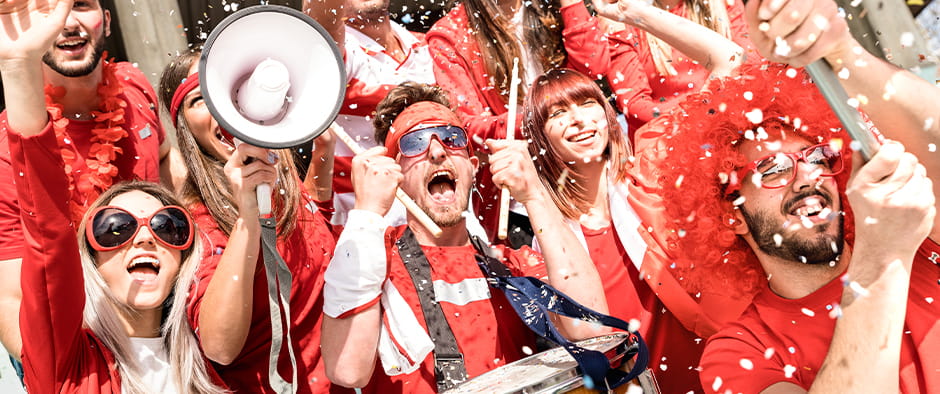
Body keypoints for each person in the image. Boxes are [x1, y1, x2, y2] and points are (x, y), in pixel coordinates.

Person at [645, 63, 938, 393]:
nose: (805, 178)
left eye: (815, 158)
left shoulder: (917, 239)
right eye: (772, 170)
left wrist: (843, 52)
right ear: (732, 216)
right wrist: (880, 256)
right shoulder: (739, 352)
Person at [320, 82, 610, 392]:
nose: (436, 151)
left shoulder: (513, 266)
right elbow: (348, 370)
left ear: (472, 169)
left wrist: (534, 193)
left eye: (451, 138)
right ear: (396, 178)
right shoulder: (371, 257)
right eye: (414, 142)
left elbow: (593, 330)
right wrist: (367, 212)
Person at [6, 52, 224, 390]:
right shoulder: (73, 371)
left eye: (167, 226)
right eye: (114, 229)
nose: (144, 237)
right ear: (91, 262)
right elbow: (47, 236)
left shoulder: (215, 353)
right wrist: (18, 61)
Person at [522, 67, 742, 393]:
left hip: (725, 379)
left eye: (587, 102)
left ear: (606, 113)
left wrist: (634, 14)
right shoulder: (551, 246)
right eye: (558, 112)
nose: (579, 119)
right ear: (540, 140)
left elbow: (731, 64)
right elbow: (585, 338)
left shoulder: (655, 182)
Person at [0, 0, 177, 361]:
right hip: (79, 340)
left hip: (162, 315)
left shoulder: (134, 84)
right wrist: (68, 372)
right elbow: (10, 296)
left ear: (107, 21)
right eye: (47, 11)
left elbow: (165, 161)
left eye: (80, 4)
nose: (66, 22)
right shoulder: (8, 145)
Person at [159, 50, 337, 393]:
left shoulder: (284, 181)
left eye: (228, 91)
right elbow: (219, 347)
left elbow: (311, 230)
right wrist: (248, 218)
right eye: (200, 98)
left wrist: (323, 153)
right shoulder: (195, 226)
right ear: (184, 127)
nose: (221, 108)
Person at [426, 0, 613, 243]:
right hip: (520, 195)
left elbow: (594, 67)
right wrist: (541, 118)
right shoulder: (449, 35)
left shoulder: (552, 7)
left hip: (590, 174)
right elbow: (468, 128)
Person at [305, 0, 437, 228]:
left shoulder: (429, 45)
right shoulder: (340, 52)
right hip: (369, 234)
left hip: (444, 229)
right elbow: (321, 17)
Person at [598, 0, 760, 134]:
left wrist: (710, 108)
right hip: (671, 137)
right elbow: (636, 107)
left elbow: (750, 66)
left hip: (733, 122)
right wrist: (704, 110)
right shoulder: (619, 17)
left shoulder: (723, 4)